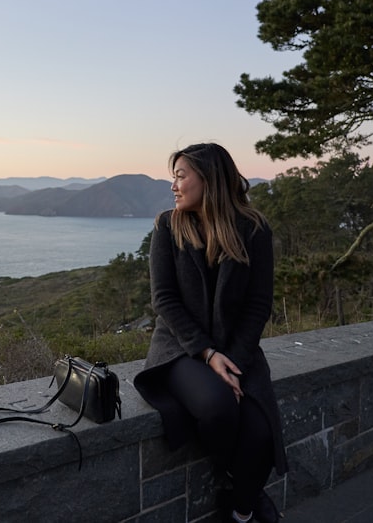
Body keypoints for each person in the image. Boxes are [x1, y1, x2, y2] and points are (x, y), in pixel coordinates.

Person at [134, 142, 288, 523]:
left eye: (181, 176)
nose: (174, 185)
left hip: (238, 348)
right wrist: (207, 354)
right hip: (179, 350)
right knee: (219, 408)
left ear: (209, 179)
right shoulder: (167, 227)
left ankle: (240, 508)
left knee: (260, 431)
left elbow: (257, 305)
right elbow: (164, 300)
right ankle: (242, 484)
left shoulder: (253, 229)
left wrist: (232, 357)